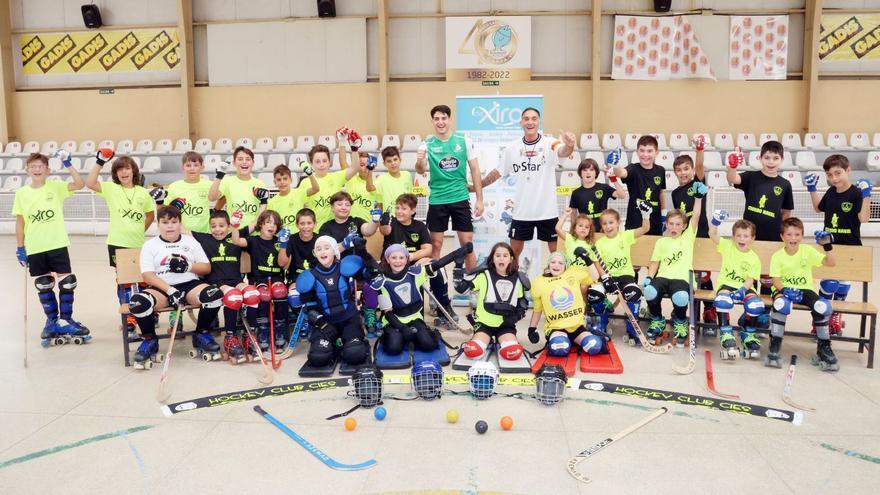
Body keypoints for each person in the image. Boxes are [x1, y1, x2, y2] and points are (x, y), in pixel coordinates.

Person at [128, 206, 224, 368]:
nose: (170, 226)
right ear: (158, 224)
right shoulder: (150, 245)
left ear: (180, 223)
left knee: (214, 294)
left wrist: (188, 266)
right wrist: (170, 290)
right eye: (165, 222)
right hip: (162, 287)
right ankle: (150, 340)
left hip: (190, 285)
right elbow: (147, 275)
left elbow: (206, 267)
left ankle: (201, 333)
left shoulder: (190, 242)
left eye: (174, 222)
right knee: (138, 303)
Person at [479, 107, 576, 258]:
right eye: (526, 119)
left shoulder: (550, 143)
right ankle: (514, 280)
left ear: (539, 122)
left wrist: (570, 145)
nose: (530, 122)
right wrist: (477, 186)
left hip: (547, 211)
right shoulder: (512, 148)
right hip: (522, 212)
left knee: (556, 254)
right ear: (521, 123)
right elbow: (497, 172)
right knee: (514, 254)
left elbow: (562, 151)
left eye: (534, 118)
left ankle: (558, 280)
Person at [13, 151, 89, 344]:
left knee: (67, 282)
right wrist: (20, 247)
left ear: (47, 170)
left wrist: (68, 163)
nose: (36, 169)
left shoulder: (55, 187)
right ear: (27, 170)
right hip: (36, 247)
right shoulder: (21, 193)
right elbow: (20, 222)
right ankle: (52, 322)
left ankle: (66, 319)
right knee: (44, 285)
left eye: (40, 166)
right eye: (33, 167)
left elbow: (79, 184)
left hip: (57, 243)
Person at [85, 154, 154, 340]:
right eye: (119, 169)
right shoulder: (111, 189)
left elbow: (150, 215)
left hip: (138, 244)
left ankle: (146, 311)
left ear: (134, 171)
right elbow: (90, 182)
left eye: (127, 168)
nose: (124, 172)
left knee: (143, 281)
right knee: (124, 282)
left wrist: (139, 231)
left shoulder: (142, 192)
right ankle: (129, 319)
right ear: (116, 174)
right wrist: (100, 161)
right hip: (117, 243)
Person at [805, 154, 872, 336]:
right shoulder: (831, 192)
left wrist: (866, 196)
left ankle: (836, 316)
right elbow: (819, 208)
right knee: (829, 282)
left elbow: (864, 218)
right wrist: (812, 189)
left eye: (838, 173)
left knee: (843, 283)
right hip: (829, 246)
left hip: (850, 247)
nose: (834, 178)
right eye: (829, 175)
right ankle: (820, 318)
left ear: (848, 171)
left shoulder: (856, 193)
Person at [415, 104, 483, 270]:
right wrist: (419, 160)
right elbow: (420, 169)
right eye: (437, 119)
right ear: (432, 122)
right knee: (436, 245)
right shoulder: (427, 144)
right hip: (438, 200)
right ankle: (438, 285)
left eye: (443, 118)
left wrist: (480, 200)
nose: (440, 122)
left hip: (460, 197)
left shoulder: (463, 141)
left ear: (449, 120)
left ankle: (471, 283)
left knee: (467, 245)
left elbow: (475, 170)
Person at [295, 235, 379, 368]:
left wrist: (362, 251)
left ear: (334, 250)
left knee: (355, 354)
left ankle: (347, 344)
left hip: (349, 319)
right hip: (326, 323)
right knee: (318, 358)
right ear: (315, 253)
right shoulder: (310, 276)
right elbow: (308, 308)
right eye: (319, 249)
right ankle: (333, 346)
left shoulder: (345, 267)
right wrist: (322, 324)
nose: (322, 251)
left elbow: (373, 272)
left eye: (326, 248)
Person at [767, 218, 837, 370]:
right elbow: (776, 280)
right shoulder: (777, 256)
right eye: (789, 234)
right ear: (782, 237)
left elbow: (831, 263)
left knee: (821, 307)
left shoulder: (807, 251)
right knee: (781, 304)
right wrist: (785, 290)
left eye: (797, 234)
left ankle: (824, 347)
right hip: (783, 289)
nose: (793, 238)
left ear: (802, 236)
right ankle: (775, 343)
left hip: (805, 289)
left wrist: (827, 245)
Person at [643, 182, 706, 346]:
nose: (674, 227)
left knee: (680, 297)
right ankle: (657, 320)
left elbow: (697, 215)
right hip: (663, 276)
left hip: (682, 278)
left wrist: (698, 199)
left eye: (678, 224)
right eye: (671, 223)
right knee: (649, 292)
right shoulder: (661, 242)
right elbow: (654, 262)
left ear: (684, 226)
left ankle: (679, 321)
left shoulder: (687, 237)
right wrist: (649, 277)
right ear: (666, 224)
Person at [454, 242, 529, 364]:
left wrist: (517, 315)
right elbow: (461, 289)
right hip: (484, 324)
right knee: (473, 352)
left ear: (511, 259)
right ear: (492, 259)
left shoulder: (518, 279)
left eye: (505, 256)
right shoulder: (484, 276)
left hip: (505, 325)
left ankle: (502, 341)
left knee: (513, 353)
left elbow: (522, 303)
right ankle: (485, 341)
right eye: (497, 255)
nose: (501, 258)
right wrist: (458, 268)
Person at [191, 209, 250, 363]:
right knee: (234, 295)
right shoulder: (205, 239)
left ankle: (250, 333)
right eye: (213, 226)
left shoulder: (235, 237)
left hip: (236, 281)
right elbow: (181, 229)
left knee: (252, 294)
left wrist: (263, 203)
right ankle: (230, 338)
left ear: (229, 226)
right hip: (216, 283)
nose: (217, 230)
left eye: (221, 226)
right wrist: (163, 205)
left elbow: (255, 225)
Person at [669, 138, 716, 327]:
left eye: (686, 169)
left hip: (701, 235)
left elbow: (700, 165)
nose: (683, 173)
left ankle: (710, 310)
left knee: (703, 275)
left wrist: (699, 149)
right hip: (684, 240)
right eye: (679, 170)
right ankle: (686, 311)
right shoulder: (674, 193)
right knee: (687, 274)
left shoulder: (697, 184)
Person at [526, 251, 607, 357]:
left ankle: (580, 338)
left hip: (576, 326)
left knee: (594, 346)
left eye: (561, 263)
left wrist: (588, 260)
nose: (556, 265)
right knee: (560, 348)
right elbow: (537, 309)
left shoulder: (572, 273)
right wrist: (532, 329)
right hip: (556, 327)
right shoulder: (538, 282)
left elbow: (595, 275)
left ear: (566, 266)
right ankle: (566, 341)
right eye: (553, 262)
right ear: (548, 264)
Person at [707, 212, 764, 359]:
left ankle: (749, 333)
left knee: (756, 305)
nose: (741, 239)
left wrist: (743, 290)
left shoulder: (754, 258)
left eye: (745, 236)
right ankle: (726, 333)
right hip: (727, 284)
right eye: (738, 235)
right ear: (733, 237)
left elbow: (751, 278)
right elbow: (712, 234)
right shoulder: (727, 246)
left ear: (752, 238)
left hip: (745, 286)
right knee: (723, 301)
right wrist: (715, 221)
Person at [592, 204, 651, 345]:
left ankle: (632, 329)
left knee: (634, 293)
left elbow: (645, 228)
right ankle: (603, 321)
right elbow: (596, 262)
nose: (608, 226)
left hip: (625, 276)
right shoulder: (600, 243)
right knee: (594, 293)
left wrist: (646, 215)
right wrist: (604, 277)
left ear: (619, 223)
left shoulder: (626, 236)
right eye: (604, 224)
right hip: (608, 278)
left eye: (611, 222)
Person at [230, 209, 288, 352]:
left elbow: (282, 264)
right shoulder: (253, 240)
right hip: (258, 278)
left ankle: (280, 327)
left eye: (275, 224)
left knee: (280, 292)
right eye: (268, 222)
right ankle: (263, 329)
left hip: (276, 277)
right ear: (260, 225)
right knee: (263, 294)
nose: (272, 226)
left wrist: (285, 245)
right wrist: (235, 226)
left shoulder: (278, 241)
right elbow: (236, 241)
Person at [371, 244, 439, 355]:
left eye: (401, 257)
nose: (398, 261)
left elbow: (438, 264)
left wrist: (462, 251)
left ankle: (418, 336)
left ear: (407, 259)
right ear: (387, 259)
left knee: (429, 344)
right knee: (393, 349)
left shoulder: (414, 274)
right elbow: (387, 313)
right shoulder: (383, 282)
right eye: (394, 257)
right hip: (394, 321)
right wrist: (402, 328)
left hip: (414, 317)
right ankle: (397, 337)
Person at [611, 135, 666, 235]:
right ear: (637, 152)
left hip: (655, 223)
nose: (645, 154)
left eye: (649, 151)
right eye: (642, 150)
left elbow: (661, 192)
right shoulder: (633, 168)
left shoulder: (661, 170)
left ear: (656, 153)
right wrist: (615, 165)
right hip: (634, 224)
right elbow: (621, 173)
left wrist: (664, 214)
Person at [299, 139, 359, 230]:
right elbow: (303, 209)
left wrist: (354, 149)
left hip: (335, 229)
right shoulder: (305, 183)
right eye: (317, 161)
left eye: (324, 161)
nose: (321, 165)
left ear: (329, 162)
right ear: (311, 164)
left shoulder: (337, 176)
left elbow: (355, 168)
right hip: (314, 231)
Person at [208, 146, 268, 227]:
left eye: (248, 159)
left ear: (253, 163)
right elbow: (211, 198)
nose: (244, 162)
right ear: (234, 163)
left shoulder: (261, 184)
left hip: (254, 233)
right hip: (233, 233)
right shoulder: (227, 182)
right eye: (240, 159)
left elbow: (264, 210)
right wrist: (219, 176)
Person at [160, 151, 213, 234]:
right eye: (188, 165)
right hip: (180, 234)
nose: (192, 168)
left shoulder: (209, 185)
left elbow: (222, 197)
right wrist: (165, 205)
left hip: (203, 234)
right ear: (183, 167)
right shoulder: (174, 186)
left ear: (202, 167)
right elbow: (162, 211)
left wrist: (216, 209)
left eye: (196, 165)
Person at [568, 156, 626, 231]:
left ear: (596, 173)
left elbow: (622, 195)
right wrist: (573, 231)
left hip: (603, 229)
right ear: (580, 173)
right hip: (584, 230)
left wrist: (613, 179)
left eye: (591, 170)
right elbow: (573, 215)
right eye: (585, 170)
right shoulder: (576, 193)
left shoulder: (604, 188)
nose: (588, 172)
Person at [267, 164, 318, 231]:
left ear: (291, 180)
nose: (282, 182)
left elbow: (315, 189)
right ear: (274, 182)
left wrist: (310, 174)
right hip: (282, 239)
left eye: (285, 179)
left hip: (300, 237)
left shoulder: (300, 193)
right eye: (279, 180)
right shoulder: (271, 202)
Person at [338, 145, 378, 223]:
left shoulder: (377, 184)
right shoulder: (352, 178)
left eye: (368, 164)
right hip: (349, 224)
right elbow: (342, 162)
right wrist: (342, 143)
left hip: (366, 226)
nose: (366, 167)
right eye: (362, 165)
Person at [374, 146, 412, 211]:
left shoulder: (407, 175)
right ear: (384, 164)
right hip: (389, 219)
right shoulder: (380, 180)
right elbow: (379, 204)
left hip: (406, 217)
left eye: (395, 159)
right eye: (389, 161)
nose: (393, 163)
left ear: (400, 160)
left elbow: (411, 198)